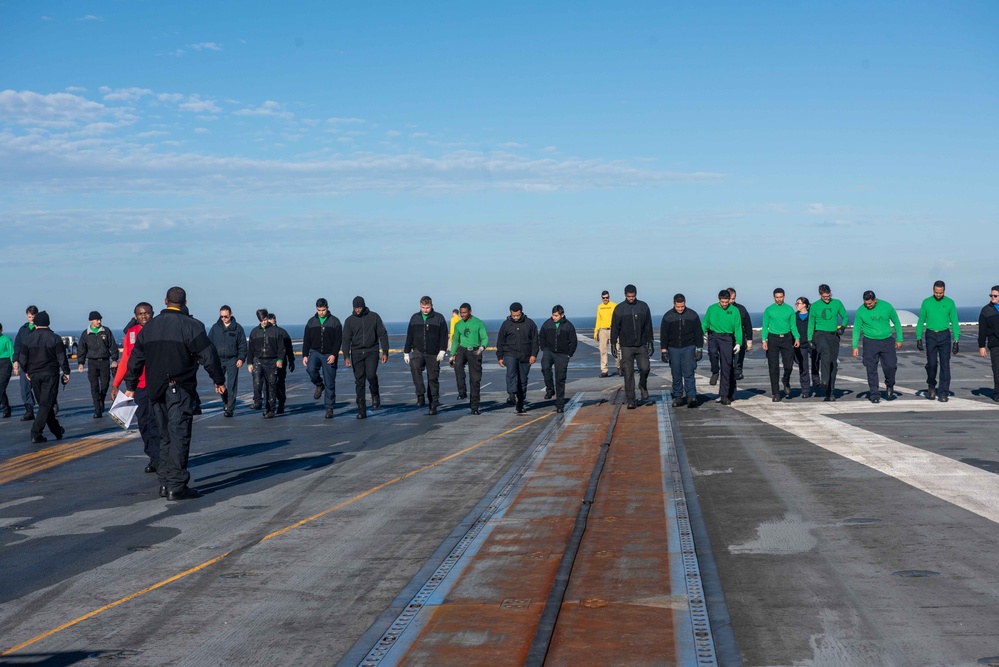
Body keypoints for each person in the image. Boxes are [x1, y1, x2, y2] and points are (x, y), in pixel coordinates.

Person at [124, 286, 225, 501]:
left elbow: (135, 359)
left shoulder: (149, 327)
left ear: (165, 301)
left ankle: (165, 481)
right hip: (179, 387)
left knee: (164, 435)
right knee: (179, 433)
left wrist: (131, 384)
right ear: (185, 302)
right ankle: (176, 486)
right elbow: (209, 355)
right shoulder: (191, 326)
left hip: (155, 388)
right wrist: (218, 380)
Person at [111, 303, 161, 472]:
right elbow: (125, 360)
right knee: (144, 422)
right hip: (139, 385)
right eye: (140, 314)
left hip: (158, 383)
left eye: (147, 313)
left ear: (152, 314)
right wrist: (116, 384)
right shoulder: (131, 334)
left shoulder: (159, 330)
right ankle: (154, 456)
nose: (144, 316)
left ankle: (160, 456)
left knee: (158, 421)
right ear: (135, 316)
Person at [17, 311, 69, 443]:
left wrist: (27, 371)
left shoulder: (29, 339)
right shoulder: (55, 338)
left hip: (34, 375)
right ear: (48, 323)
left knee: (44, 404)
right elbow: (61, 358)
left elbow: (22, 358)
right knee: (46, 404)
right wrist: (66, 372)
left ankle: (57, 430)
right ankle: (36, 432)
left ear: (36, 323)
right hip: (50, 374)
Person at [852, 291, 903, 404]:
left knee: (890, 366)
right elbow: (856, 329)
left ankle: (890, 384)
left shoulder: (886, 306)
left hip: (887, 341)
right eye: (866, 304)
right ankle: (874, 393)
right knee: (871, 368)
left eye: (870, 303)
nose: (868, 306)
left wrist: (900, 339)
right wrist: (855, 346)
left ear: (875, 300)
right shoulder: (861, 311)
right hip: (870, 342)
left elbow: (897, 322)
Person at [342, 296, 389, 419]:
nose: (358, 310)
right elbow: (346, 339)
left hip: (371, 351)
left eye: (360, 307)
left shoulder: (374, 317)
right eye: (356, 308)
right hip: (356, 353)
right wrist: (346, 356)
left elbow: (383, 334)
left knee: (371, 375)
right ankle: (361, 410)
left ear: (363, 306)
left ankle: (375, 393)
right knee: (359, 381)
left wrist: (385, 352)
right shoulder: (349, 321)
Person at [403, 296, 449, 415]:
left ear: (431, 306)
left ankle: (433, 403)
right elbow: (409, 336)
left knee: (433, 378)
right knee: (414, 366)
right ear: (420, 306)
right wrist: (406, 352)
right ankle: (420, 394)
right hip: (418, 351)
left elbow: (444, 336)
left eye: (427, 307)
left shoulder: (439, 318)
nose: (425, 310)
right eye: (423, 307)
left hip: (433, 353)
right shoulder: (414, 318)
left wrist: (442, 350)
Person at [610, 284, 653, 409]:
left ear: (636, 294)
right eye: (629, 296)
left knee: (645, 368)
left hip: (641, 345)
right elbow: (615, 328)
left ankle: (643, 385)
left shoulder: (643, 307)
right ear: (625, 295)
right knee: (628, 373)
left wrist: (649, 342)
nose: (631, 298)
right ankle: (631, 400)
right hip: (626, 346)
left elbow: (648, 326)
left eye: (633, 296)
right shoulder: (619, 309)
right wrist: (613, 344)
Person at [916, 281, 960, 402]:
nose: (938, 295)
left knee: (945, 365)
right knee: (932, 364)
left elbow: (955, 322)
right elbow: (921, 320)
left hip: (945, 335)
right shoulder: (926, 302)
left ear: (944, 291)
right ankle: (931, 384)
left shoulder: (950, 302)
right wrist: (918, 337)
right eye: (936, 292)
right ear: (933, 290)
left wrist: (956, 340)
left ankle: (943, 393)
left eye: (940, 293)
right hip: (930, 335)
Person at [660, 294, 703, 409]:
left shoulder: (692, 315)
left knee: (689, 372)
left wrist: (699, 348)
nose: (680, 309)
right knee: (676, 373)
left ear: (685, 303)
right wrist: (664, 351)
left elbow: (698, 333)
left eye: (682, 306)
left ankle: (691, 396)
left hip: (688, 347)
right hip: (673, 348)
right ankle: (678, 396)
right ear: (674, 304)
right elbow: (664, 334)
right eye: (678, 307)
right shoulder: (668, 317)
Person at [808, 284, 849, 401]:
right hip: (819, 334)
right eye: (824, 296)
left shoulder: (837, 303)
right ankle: (824, 380)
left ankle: (829, 391)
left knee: (833, 364)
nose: (827, 298)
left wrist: (842, 327)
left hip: (833, 336)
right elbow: (811, 323)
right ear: (820, 294)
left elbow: (845, 317)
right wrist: (809, 339)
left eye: (828, 295)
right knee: (825, 351)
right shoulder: (815, 306)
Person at [702, 290, 744, 406]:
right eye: (723, 302)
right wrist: (702, 334)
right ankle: (715, 371)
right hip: (714, 336)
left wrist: (738, 342)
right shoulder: (711, 309)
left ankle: (724, 395)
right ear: (719, 299)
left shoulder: (734, 311)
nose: (725, 304)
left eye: (726, 302)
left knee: (727, 366)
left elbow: (738, 327)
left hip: (727, 338)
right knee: (712, 353)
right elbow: (705, 323)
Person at [496, 302, 539, 414]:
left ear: (521, 312)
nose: (515, 317)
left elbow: (535, 341)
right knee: (511, 373)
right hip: (510, 353)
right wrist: (500, 357)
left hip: (525, 355)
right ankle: (511, 395)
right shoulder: (506, 324)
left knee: (523, 380)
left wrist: (534, 355)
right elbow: (500, 341)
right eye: (513, 315)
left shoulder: (530, 324)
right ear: (510, 313)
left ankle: (520, 402)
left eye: (517, 315)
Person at [303, 298, 342, 419]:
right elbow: (306, 339)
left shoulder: (335, 322)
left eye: (323, 310)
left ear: (327, 308)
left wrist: (334, 354)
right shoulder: (311, 322)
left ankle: (329, 408)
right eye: (319, 310)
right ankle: (319, 384)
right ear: (316, 309)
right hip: (315, 352)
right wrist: (305, 354)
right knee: (310, 369)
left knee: (330, 381)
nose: (321, 312)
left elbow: (338, 340)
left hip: (329, 354)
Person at [76, 311, 119, 418]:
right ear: (91, 320)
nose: (99, 321)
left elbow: (112, 346)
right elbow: (81, 349)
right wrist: (81, 363)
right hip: (92, 363)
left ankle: (101, 399)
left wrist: (114, 360)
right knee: (94, 386)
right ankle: (97, 409)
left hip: (104, 361)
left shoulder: (106, 331)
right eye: (96, 319)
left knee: (104, 385)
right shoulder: (85, 334)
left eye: (100, 319)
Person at [208, 305, 247, 418]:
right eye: (221, 317)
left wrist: (241, 358)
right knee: (218, 384)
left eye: (225, 316)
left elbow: (243, 345)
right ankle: (225, 400)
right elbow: (209, 344)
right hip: (218, 360)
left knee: (232, 384)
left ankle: (230, 409)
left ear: (231, 314)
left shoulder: (237, 328)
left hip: (232, 360)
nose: (224, 319)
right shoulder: (215, 328)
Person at [761, 288, 800, 402]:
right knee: (773, 367)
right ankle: (776, 393)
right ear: (774, 297)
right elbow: (765, 326)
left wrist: (796, 337)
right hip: (773, 339)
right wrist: (764, 340)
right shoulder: (769, 310)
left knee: (789, 365)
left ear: (784, 296)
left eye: (781, 297)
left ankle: (786, 380)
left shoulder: (789, 309)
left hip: (787, 338)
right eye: (777, 297)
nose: (779, 299)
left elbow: (793, 325)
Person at [450, 303, 488, 414]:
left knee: (475, 379)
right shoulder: (458, 324)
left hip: (475, 350)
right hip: (462, 349)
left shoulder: (478, 323)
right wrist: (452, 355)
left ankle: (474, 406)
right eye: (461, 313)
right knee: (457, 365)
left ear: (470, 311)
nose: (462, 315)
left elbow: (485, 337)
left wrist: (481, 348)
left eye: (465, 313)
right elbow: (456, 341)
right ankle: (462, 391)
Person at [246, 308, 285, 419]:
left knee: (272, 385)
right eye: (262, 319)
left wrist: (280, 360)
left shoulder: (275, 331)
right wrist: (249, 363)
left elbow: (281, 348)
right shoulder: (254, 332)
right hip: (258, 360)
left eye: (265, 319)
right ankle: (257, 402)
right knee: (257, 381)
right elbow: (251, 350)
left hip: (272, 361)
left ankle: (270, 409)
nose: (264, 321)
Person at [540, 305, 578, 413]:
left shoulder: (568, 326)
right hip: (549, 351)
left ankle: (560, 404)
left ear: (562, 315)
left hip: (562, 355)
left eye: (556, 316)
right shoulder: (547, 324)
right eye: (553, 315)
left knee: (560, 379)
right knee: (545, 368)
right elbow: (541, 336)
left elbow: (573, 341)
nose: (554, 317)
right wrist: (543, 348)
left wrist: (569, 355)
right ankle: (550, 389)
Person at [12, 305, 39, 421]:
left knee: (41, 387)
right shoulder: (23, 329)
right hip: (25, 363)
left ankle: (51, 405)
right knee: (25, 388)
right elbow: (17, 345)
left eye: (33, 316)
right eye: (29, 316)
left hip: (39, 363)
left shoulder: (41, 328)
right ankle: (29, 411)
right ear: (26, 316)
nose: (31, 318)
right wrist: (15, 361)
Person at [268, 313, 295, 414]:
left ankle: (281, 403)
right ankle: (271, 405)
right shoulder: (264, 333)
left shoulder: (282, 333)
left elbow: (289, 348)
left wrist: (291, 361)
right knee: (269, 384)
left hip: (281, 362)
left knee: (279, 383)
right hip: (267, 362)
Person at [977, 286, 999, 402]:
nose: (992, 298)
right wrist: (981, 346)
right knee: (997, 369)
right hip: (995, 345)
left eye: (995, 296)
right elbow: (982, 330)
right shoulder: (986, 310)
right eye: (991, 295)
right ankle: (998, 393)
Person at [727, 288, 753, 381]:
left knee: (738, 360)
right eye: (730, 298)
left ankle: (738, 372)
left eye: (733, 299)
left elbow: (748, 325)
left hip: (739, 338)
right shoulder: (721, 309)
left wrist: (749, 340)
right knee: (727, 364)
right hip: (726, 338)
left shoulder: (741, 309)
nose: (731, 301)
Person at [792, 297, 814, 399]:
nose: (796, 305)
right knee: (803, 367)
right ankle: (805, 389)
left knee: (816, 363)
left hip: (811, 343)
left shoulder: (811, 316)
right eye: (796, 303)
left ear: (804, 304)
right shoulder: (794, 317)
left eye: (798, 303)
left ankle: (814, 384)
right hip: (800, 345)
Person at [594, 290, 618, 377]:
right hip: (603, 330)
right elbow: (598, 319)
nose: (605, 299)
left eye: (607, 298)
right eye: (603, 298)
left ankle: (619, 367)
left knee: (616, 349)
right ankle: (604, 370)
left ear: (609, 297)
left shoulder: (614, 305)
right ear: (601, 298)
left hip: (612, 329)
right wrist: (596, 331)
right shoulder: (599, 307)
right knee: (602, 351)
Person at [0, 323, 15, 418]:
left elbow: (11, 353)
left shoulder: (7, 339)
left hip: (5, 363)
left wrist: (15, 366)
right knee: (1, 389)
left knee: (1, 386)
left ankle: (6, 409)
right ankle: (6, 408)